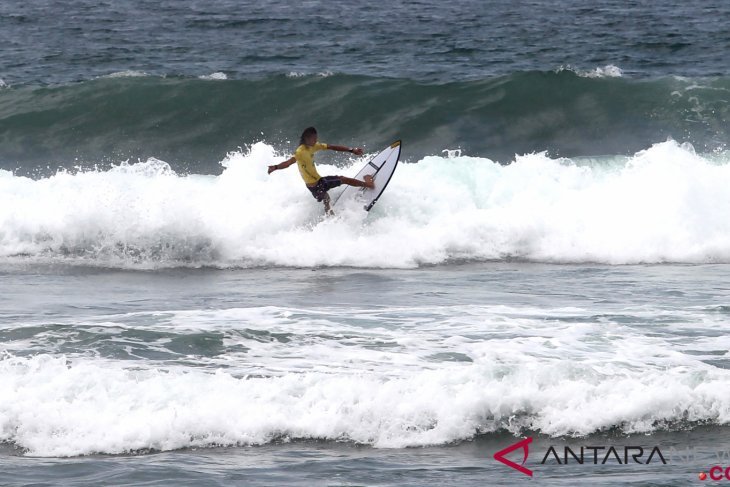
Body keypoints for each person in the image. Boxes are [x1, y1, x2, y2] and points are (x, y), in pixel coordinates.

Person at [268, 127, 374, 214]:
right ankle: (368, 184)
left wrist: (351, 150)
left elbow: (332, 147)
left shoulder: (313, 146)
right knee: (343, 179)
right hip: (318, 184)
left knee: (326, 199)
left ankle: (329, 217)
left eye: (316, 138)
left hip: (312, 187)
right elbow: (288, 162)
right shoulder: (300, 152)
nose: (315, 140)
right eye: (313, 139)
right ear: (306, 139)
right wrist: (276, 167)